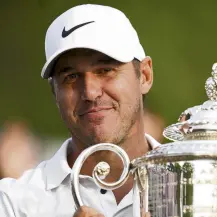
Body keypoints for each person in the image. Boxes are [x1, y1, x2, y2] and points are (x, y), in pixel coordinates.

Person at [0, 4, 157, 217]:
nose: (90, 92)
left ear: (145, 76)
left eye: (105, 70)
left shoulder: (204, 186)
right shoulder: (11, 203)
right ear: (55, 93)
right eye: (71, 76)